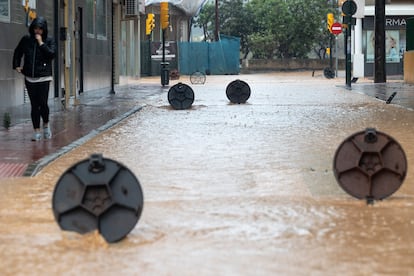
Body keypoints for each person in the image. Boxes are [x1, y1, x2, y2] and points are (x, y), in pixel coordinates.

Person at [13, 16, 56, 141]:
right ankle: (36, 131)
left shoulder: (49, 40)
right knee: (34, 105)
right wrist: (16, 65)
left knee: (43, 103)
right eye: (35, 28)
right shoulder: (26, 40)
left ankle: (46, 125)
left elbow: (51, 54)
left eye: (40, 29)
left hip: (44, 77)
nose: (37, 31)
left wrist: (41, 43)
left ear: (44, 30)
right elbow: (18, 52)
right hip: (30, 78)